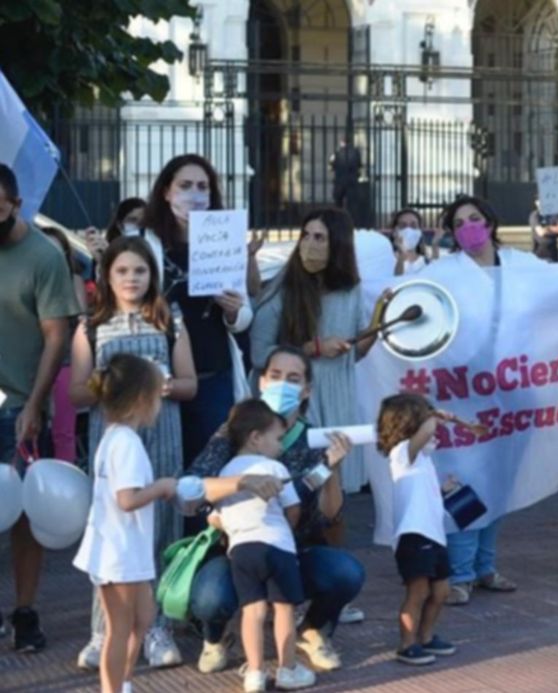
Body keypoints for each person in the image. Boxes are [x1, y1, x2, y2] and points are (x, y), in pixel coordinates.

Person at [187, 347, 362, 675]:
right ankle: (216, 637)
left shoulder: (315, 439)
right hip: (236, 549)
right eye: (276, 376)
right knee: (211, 597)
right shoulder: (236, 428)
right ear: (262, 381)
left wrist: (333, 468)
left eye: (294, 379)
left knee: (345, 572)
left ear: (307, 389)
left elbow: (328, 515)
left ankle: (311, 631)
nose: (283, 385)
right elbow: (192, 486)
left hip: (292, 551)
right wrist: (242, 483)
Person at [70, 236, 198, 670]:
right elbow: (75, 392)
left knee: (160, 527)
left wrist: (160, 387)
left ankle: (157, 627)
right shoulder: (90, 325)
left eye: (140, 271)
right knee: (111, 527)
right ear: (107, 275)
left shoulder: (170, 320)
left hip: (162, 434)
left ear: (152, 275)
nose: (131, 279)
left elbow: (190, 383)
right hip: (113, 438)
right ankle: (103, 629)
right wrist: (111, 386)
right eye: (122, 270)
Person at [0, 163, 82, 652]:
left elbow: (58, 335)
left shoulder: (43, 257)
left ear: (13, 204)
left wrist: (35, 404)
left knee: (25, 513)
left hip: (21, 403)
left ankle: (26, 610)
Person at [435, 195, 530, 604]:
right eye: (459, 223)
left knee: (500, 480)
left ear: (490, 223)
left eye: (475, 219)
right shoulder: (443, 272)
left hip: (515, 385)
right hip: (466, 390)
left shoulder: (521, 266)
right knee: (465, 477)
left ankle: (485, 567)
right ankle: (459, 573)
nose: (469, 227)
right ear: (453, 234)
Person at [71, 354, 179, 693]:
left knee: (142, 619)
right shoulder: (127, 444)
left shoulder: (112, 436)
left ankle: (124, 681)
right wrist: (162, 487)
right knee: (120, 629)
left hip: (124, 548)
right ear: (141, 400)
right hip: (120, 551)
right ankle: (114, 686)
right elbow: (127, 499)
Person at [142, 154, 257, 465]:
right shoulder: (145, 241)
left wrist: (234, 311)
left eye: (203, 187)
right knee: (165, 466)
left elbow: (245, 315)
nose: (194, 194)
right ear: (166, 192)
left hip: (212, 373)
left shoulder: (225, 240)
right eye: (185, 185)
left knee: (210, 468)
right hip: (163, 377)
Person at [252, 208, 376, 493]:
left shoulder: (351, 290)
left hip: (338, 401)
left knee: (332, 492)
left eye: (320, 237)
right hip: (294, 404)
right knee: (296, 489)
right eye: (306, 235)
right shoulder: (282, 289)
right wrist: (314, 348)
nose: (310, 244)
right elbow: (260, 354)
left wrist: (380, 325)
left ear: (339, 245)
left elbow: (355, 353)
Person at [208, 399, 316, 691]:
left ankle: (254, 673)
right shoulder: (274, 467)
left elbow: (216, 519)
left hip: (242, 549)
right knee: (283, 610)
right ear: (256, 438)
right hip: (277, 546)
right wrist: (285, 529)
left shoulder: (226, 474)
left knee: (252, 612)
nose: (281, 446)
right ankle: (287, 669)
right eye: (278, 438)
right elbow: (293, 508)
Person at [380, 394, 457, 665]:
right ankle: (407, 643)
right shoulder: (401, 453)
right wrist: (435, 416)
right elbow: (426, 432)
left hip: (434, 534)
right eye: (423, 414)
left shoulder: (423, 458)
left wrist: (442, 490)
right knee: (418, 591)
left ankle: (426, 637)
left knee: (441, 591)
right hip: (414, 534)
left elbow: (420, 492)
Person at [36, 225, 88, 464]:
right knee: (29, 431)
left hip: (65, 362)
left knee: (64, 432)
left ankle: (65, 485)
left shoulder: (73, 279)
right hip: (29, 365)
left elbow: (81, 317)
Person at [388, 208, 431, 276]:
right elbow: (395, 281)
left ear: (420, 231)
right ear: (394, 231)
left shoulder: (428, 261)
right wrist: (401, 258)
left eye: (413, 225)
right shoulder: (386, 259)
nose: (408, 229)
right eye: (403, 225)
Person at [330, 138, 361, 211]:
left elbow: (332, 166)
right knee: (352, 204)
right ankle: (351, 219)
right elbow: (359, 165)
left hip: (339, 181)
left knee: (338, 203)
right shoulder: (356, 152)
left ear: (343, 143)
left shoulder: (337, 152)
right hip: (352, 181)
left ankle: (339, 218)